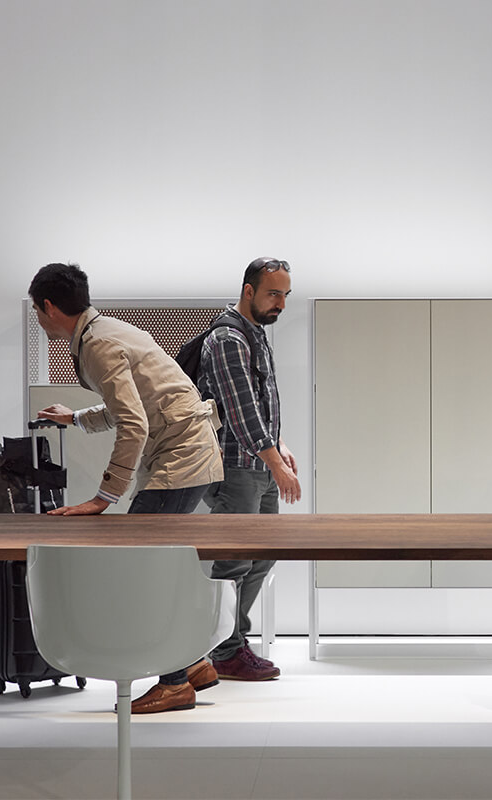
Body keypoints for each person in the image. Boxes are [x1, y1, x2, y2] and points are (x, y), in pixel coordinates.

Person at [27, 262, 224, 714]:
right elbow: (131, 405)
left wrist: (103, 497)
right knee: (156, 567)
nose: (38, 318)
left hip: (180, 459)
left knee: (138, 569)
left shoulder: (97, 344)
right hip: (185, 453)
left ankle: (175, 682)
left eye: (37, 310)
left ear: (49, 307)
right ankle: (192, 663)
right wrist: (76, 418)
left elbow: (133, 423)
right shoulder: (105, 331)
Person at [196, 257, 300, 682]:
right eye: (273, 294)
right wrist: (274, 461)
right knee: (234, 561)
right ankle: (225, 650)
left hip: (258, 463)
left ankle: (230, 639)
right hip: (236, 467)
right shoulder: (228, 338)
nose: (281, 304)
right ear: (248, 290)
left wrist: (279, 446)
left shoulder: (254, 333)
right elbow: (240, 412)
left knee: (264, 554)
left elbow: (259, 403)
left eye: (285, 295)